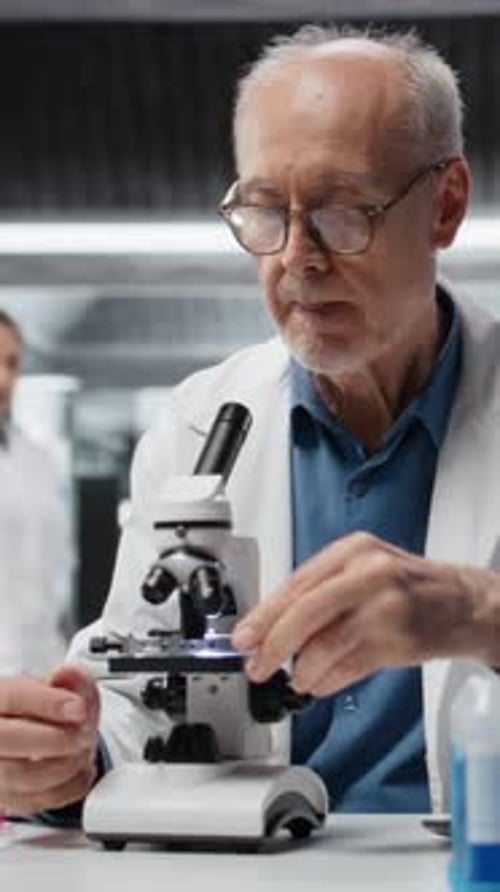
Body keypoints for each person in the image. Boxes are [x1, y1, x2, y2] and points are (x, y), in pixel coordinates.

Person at [1, 22, 500, 819]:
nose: (296, 256)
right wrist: (71, 757)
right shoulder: (200, 421)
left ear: (444, 206)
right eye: (265, 210)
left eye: (344, 212)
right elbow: (142, 698)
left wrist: (479, 613)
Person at [0, 310, 71, 677]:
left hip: (43, 664)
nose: (4, 377)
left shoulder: (38, 459)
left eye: (11, 362)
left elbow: (51, 574)